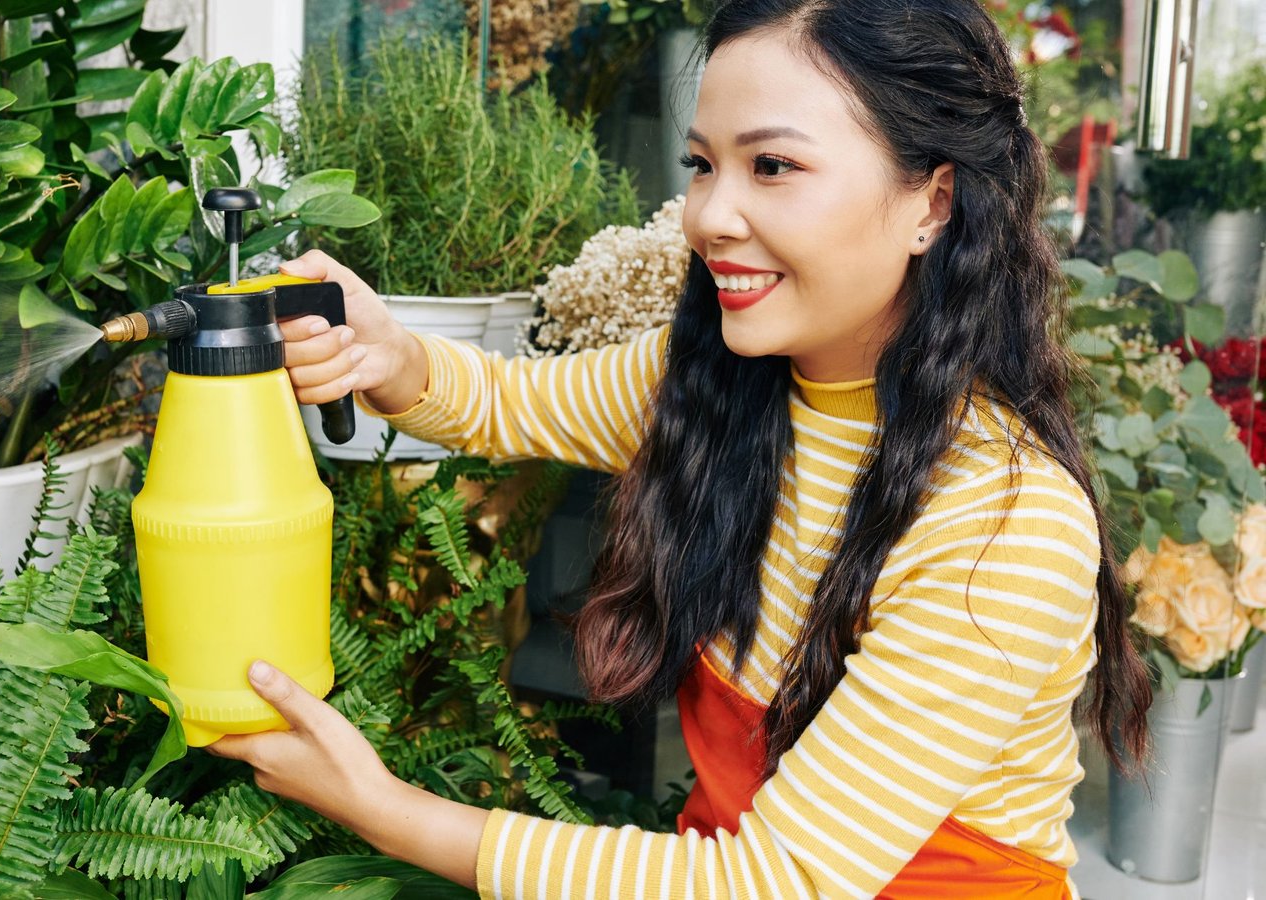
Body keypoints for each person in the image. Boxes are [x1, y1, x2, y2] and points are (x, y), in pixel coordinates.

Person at [205, 0, 1153, 896]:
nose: (709, 215)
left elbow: (775, 882)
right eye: (703, 164)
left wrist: (383, 810)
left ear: (934, 203)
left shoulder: (1003, 522)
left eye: (772, 166)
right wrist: (391, 352)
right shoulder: (726, 384)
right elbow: (505, 400)